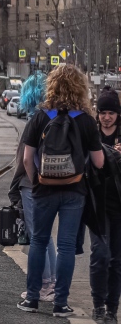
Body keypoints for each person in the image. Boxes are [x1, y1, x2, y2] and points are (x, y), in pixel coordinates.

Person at [19, 64, 106, 317]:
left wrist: (38, 180)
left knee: (39, 241)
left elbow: (27, 158)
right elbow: (99, 162)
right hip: (74, 191)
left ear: (52, 85)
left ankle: (32, 299)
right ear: (80, 88)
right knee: (66, 246)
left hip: (43, 190)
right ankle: (61, 304)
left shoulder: (40, 116)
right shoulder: (87, 121)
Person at [9, 72, 57, 303]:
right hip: (49, 183)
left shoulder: (34, 120)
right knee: (47, 236)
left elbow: (25, 160)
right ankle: (51, 283)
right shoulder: (52, 117)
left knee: (38, 236)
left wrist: (21, 185)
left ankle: (44, 286)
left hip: (32, 185)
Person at [89, 87, 121, 322]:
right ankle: (98, 305)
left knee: (117, 261)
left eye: (111, 112)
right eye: (103, 112)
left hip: (119, 205)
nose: (107, 117)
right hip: (97, 203)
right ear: (97, 114)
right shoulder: (92, 135)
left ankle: (112, 309)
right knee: (100, 254)